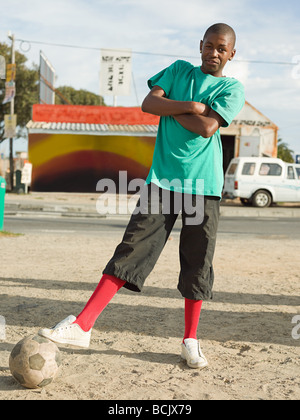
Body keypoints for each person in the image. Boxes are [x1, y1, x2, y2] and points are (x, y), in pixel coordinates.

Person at [39, 23, 245, 369]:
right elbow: (149, 103)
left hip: (203, 188)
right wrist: (194, 106)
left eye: (221, 48)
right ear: (200, 46)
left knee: (197, 264)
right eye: (209, 45)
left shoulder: (231, 87)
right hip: (162, 182)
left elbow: (208, 126)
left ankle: (190, 341)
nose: (214, 53)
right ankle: (83, 325)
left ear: (231, 54)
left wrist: (186, 110)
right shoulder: (179, 70)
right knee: (131, 250)